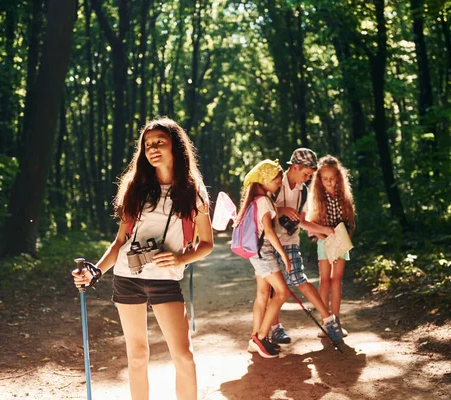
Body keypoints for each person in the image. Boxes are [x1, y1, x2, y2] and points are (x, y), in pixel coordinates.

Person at [71, 117, 213, 400]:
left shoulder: (192, 192)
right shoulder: (135, 189)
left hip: (164, 282)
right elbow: (119, 242)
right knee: (136, 356)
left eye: (160, 141)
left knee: (183, 356)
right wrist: (95, 272)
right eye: (147, 144)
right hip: (127, 279)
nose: (153, 148)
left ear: (177, 147)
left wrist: (180, 260)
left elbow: (207, 244)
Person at [269, 148, 345, 344]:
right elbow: (261, 208)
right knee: (273, 287)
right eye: (305, 174)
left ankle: (328, 320)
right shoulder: (276, 182)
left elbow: (301, 221)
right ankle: (275, 328)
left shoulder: (302, 191)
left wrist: (324, 230)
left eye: (310, 176)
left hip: (290, 240)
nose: (306, 179)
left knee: (298, 278)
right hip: (269, 241)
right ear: (294, 167)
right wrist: (283, 210)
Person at [235, 159, 292, 359]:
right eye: (277, 178)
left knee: (262, 294)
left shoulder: (257, 200)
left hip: (257, 253)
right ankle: (261, 336)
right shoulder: (264, 201)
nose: (279, 182)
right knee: (282, 292)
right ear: (266, 179)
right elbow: (268, 230)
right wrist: (284, 255)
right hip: (264, 254)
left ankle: (255, 338)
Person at [307, 155, 356, 337]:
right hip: (323, 241)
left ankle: (336, 320)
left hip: (340, 241)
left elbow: (349, 220)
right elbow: (311, 223)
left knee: (337, 280)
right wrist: (325, 238)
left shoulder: (343, 196)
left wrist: (343, 239)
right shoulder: (317, 197)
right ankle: (325, 321)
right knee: (325, 280)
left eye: (333, 178)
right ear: (319, 179)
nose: (329, 182)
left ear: (339, 176)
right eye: (325, 178)